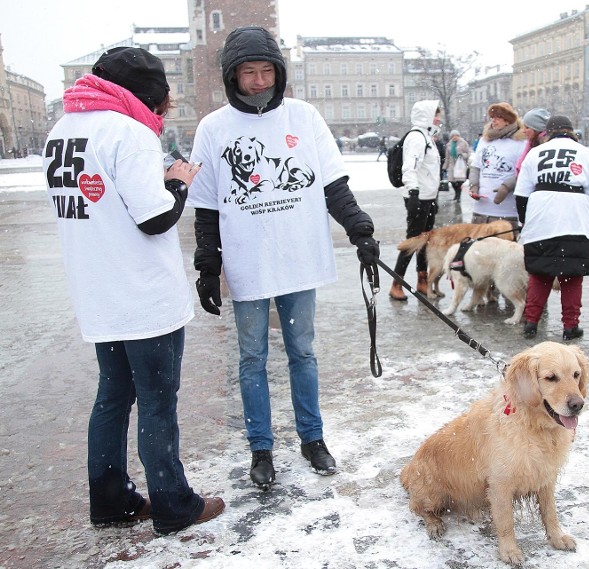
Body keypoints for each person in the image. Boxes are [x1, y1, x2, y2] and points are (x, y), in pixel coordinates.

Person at [187, 27, 380, 488]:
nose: (258, 81)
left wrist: (359, 228)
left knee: (302, 351)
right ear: (233, 76)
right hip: (246, 261)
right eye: (249, 73)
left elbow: (333, 184)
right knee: (251, 357)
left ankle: (312, 439)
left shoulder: (304, 117)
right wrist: (207, 263)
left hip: (297, 257)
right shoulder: (213, 128)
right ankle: (261, 448)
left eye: (266, 70)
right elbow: (207, 206)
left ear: (279, 71)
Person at [42, 47, 224, 534]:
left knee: (113, 396)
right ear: (148, 94)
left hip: (98, 292)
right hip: (144, 298)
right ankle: (172, 503)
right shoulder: (130, 132)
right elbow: (155, 218)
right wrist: (179, 182)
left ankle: (109, 498)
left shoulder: (62, 133)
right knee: (158, 400)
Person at [515, 115, 589, 341]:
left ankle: (531, 322)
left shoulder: (535, 153)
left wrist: (526, 221)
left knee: (539, 274)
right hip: (576, 221)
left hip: (542, 219)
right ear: (571, 132)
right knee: (572, 277)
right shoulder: (584, 153)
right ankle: (570, 327)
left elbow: (521, 194)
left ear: (547, 133)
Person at [388, 100, 442, 301]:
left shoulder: (427, 136)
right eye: (436, 115)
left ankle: (422, 280)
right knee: (413, 241)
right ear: (427, 116)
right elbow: (409, 167)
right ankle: (396, 283)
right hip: (418, 198)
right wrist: (413, 193)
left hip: (427, 197)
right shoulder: (417, 137)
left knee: (425, 239)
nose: (438, 118)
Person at [468, 102, 526, 230]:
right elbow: (476, 167)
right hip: (481, 210)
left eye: (498, 117)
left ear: (508, 120)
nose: (494, 120)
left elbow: (525, 172)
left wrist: (506, 187)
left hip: (506, 212)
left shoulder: (521, 142)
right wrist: (474, 186)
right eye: (492, 117)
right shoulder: (485, 140)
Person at [515, 108, 551, 175]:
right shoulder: (531, 143)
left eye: (527, 128)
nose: (524, 131)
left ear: (536, 129)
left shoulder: (546, 147)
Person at [442, 129, 471, 202]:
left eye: (456, 135)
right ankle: (456, 193)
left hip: (460, 165)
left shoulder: (463, 143)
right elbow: (447, 157)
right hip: (451, 166)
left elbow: (468, 154)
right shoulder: (449, 144)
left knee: (459, 182)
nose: (455, 137)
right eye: (453, 136)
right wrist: (445, 166)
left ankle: (458, 196)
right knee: (452, 182)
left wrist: (462, 155)